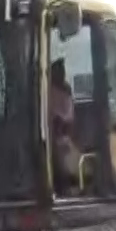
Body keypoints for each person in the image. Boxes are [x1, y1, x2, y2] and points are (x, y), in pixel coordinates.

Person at [48, 60, 79, 193]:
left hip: (63, 136)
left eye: (62, 71)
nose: (61, 74)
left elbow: (68, 119)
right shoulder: (48, 91)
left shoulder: (65, 91)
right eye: (57, 71)